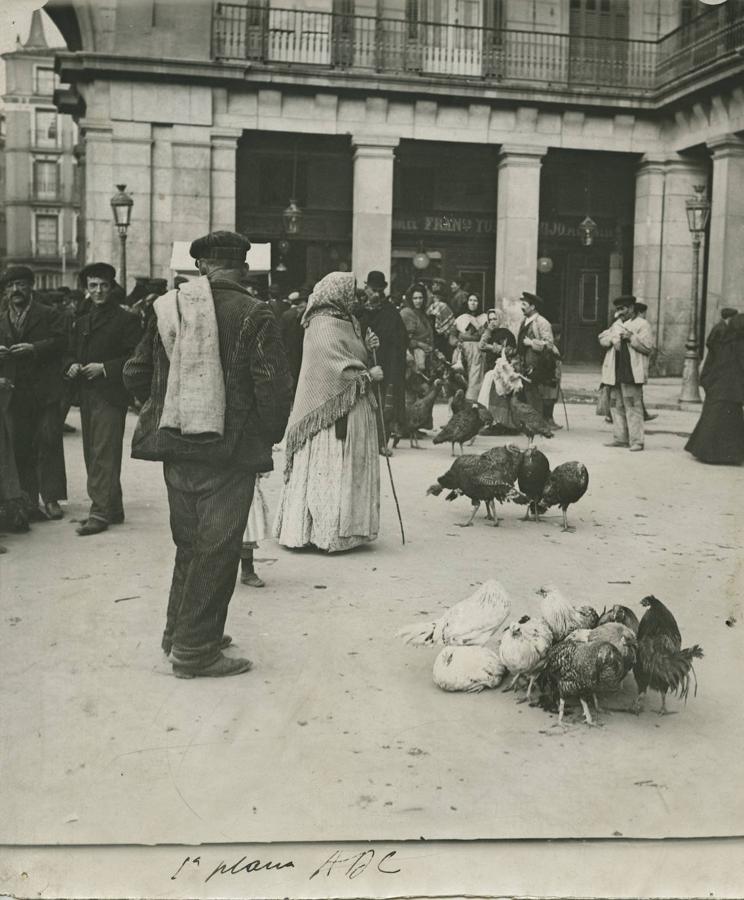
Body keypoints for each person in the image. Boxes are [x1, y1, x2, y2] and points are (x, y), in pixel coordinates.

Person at [123, 230, 292, 679]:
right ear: (245, 266)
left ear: (200, 266)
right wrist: (264, 438)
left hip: (175, 447)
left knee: (190, 545)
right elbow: (273, 389)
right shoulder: (256, 312)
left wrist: (164, 414)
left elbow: (135, 373)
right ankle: (196, 650)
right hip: (228, 452)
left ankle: (178, 633)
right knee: (218, 550)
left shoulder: (169, 306)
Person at [274, 272, 382, 553]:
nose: (356, 297)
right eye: (351, 292)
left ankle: (347, 530)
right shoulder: (322, 325)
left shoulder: (349, 322)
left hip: (351, 407)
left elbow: (353, 358)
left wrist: (368, 350)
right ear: (338, 293)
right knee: (328, 467)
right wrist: (369, 375)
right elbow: (339, 371)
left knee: (343, 469)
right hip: (328, 416)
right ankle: (322, 533)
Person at [64, 262, 143, 536]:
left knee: (103, 452)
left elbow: (137, 357)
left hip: (111, 394)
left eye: (103, 286)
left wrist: (105, 368)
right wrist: (72, 364)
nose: (98, 291)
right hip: (87, 394)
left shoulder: (127, 320)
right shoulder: (82, 320)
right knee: (92, 451)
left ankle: (99, 512)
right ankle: (113, 507)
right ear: (86, 289)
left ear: (112, 287)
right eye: (93, 286)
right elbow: (71, 351)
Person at [0, 266, 67, 521]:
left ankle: (51, 499)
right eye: (11, 286)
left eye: (21, 284)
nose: (16, 290)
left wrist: (34, 348)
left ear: (31, 286)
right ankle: (28, 499)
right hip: (14, 393)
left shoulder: (49, 314)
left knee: (48, 441)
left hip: (45, 390)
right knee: (21, 445)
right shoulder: (1, 318)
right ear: (6, 291)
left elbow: (62, 343)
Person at [356, 270, 408, 454]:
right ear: (366, 288)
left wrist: (384, 346)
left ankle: (381, 442)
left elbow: (401, 340)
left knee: (382, 403)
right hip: (361, 362)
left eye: (380, 290)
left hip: (384, 364)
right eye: (373, 290)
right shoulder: (358, 310)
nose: (376, 294)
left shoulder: (391, 313)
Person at [685, 312, 744, 465]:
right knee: (729, 422)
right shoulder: (738, 343)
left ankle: (705, 451)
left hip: (718, 386)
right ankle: (725, 455)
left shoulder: (723, 340)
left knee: (712, 419)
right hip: (731, 389)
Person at [598, 294, 654, 452]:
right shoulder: (616, 324)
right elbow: (602, 338)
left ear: (630, 308)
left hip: (631, 373)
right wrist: (611, 339)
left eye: (622, 309)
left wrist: (631, 338)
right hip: (615, 373)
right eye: (617, 309)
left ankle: (637, 441)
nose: (619, 312)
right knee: (616, 406)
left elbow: (648, 348)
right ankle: (620, 438)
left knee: (633, 406)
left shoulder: (642, 325)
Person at [517, 291, 559, 415]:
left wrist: (531, 343)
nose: (521, 307)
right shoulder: (524, 321)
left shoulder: (542, 322)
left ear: (532, 306)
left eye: (524, 304)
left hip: (536, 365)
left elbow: (549, 345)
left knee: (534, 394)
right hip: (524, 363)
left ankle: (538, 422)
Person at [477, 312, 520, 433]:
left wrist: (497, 348)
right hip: (491, 369)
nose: (492, 321)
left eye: (495, 319)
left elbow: (512, 350)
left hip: (502, 370)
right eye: (490, 319)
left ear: (499, 319)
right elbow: (481, 346)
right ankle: (492, 422)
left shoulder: (506, 333)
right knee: (488, 396)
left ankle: (504, 424)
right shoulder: (488, 333)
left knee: (500, 396)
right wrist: (488, 333)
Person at [455, 293, 488, 400]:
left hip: (477, 351)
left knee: (475, 378)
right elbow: (451, 338)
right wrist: (458, 341)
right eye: (470, 300)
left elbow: (483, 335)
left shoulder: (484, 318)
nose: (473, 303)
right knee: (461, 378)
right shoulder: (461, 318)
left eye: (475, 300)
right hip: (462, 351)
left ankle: (471, 403)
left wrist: (463, 336)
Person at [400, 283, 434, 375]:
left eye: (420, 298)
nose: (418, 301)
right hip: (412, 361)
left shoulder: (422, 314)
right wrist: (420, 344)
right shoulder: (407, 313)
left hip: (426, 357)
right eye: (415, 298)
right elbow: (404, 340)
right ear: (410, 299)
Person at [280, 288, 309, 393]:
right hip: (303, 348)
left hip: (290, 349)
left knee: (293, 373)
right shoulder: (309, 314)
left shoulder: (286, 314)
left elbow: (281, 333)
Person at [633, 301, 657, 424]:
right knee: (637, 388)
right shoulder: (643, 324)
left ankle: (644, 413)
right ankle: (642, 413)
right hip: (638, 361)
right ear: (641, 312)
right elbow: (647, 345)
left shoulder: (625, 323)